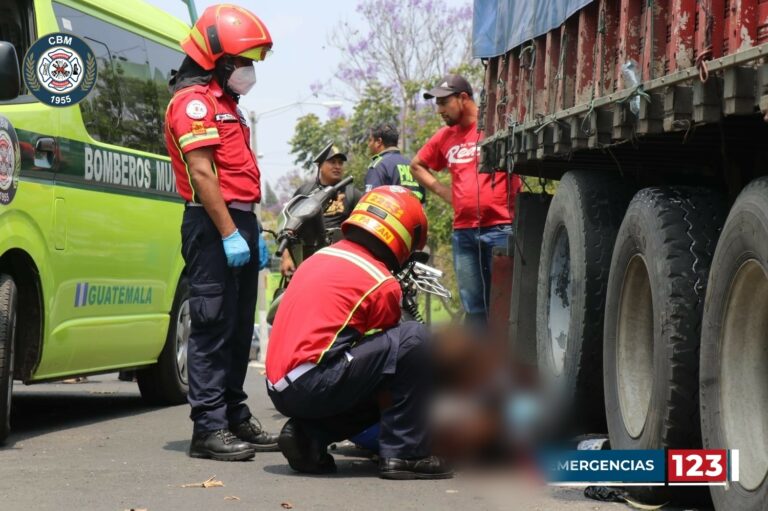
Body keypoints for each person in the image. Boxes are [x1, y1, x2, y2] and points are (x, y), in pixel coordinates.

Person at [266, 186, 452, 480]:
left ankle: (309, 436)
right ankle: (405, 453)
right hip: (312, 382)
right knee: (414, 339)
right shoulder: (381, 282)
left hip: (280, 386)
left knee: (376, 369)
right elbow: (395, 357)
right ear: (404, 236)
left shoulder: (320, 257)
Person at [164, 4, 278, 461]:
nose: (249, 71)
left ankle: (233, 415)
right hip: (213, 224)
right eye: (243, 61)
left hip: (239, 221)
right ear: (220, 60)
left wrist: (252, 231)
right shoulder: (193, 104)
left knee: (236, 328)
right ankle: (207, 429)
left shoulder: (228, 105)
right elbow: (203, 173)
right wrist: (231, 231)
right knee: (210, 325)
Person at [411, 74, 522, 327]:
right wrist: (445, 192)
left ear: (463, 98)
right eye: (436, 104)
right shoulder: (445, 137)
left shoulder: (495, 128)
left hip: (501, 228)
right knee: (473, 309)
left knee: (504, 307)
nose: (439, 110)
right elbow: (417, 166)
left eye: (443, 102)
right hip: (464, 234)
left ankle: (504, 364)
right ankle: (479, 364)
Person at [279, 143, 363, 277]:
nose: (337, 166)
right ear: (320, 165)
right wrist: (286, 258)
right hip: (307, 261)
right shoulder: (304, 192)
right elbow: (286, 228)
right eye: (332, 162)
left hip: (340, 262)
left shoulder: (353, 193)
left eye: (340, 163)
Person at [365, 123, 426, 202]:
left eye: (370, 140)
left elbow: (371, 201)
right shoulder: (412, 165)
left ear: (379, 142)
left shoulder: (378, 166)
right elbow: (422, 199)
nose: (369, 145)